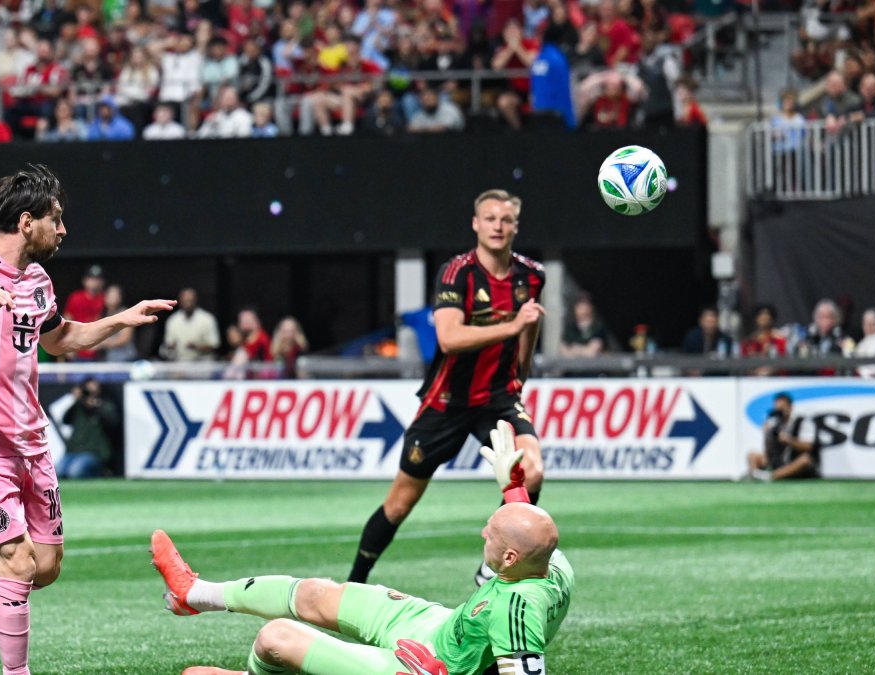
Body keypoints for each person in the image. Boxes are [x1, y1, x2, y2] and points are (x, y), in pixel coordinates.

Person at [0, 164, 174, 674]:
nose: (63, 230)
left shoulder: (38, 279)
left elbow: (58, 340)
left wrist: (119, 320)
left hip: (31, 442)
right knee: (16, 563)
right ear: (27, 221)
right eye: (56, 219)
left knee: (47, 567)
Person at [154, 420, 572, 675]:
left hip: (426, 667)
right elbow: (530, 530)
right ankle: (194, 593)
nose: (484, 533)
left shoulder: (518, 611)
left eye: (492, 535)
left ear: (511, 558)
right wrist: (513, 488)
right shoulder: (551, 563)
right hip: (436, 626)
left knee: (274, 637)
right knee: (317, 593)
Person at [349, 189, 546, 587]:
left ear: (516, 226)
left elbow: (530, 325)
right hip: (445, 402)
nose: (498, 226)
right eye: (489, 218)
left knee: (533, 471)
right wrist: (513, 325)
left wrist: (521, 371)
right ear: (476, 224)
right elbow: (449, 339)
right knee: (400, 503)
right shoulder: (457, 273)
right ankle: (354, 582)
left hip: (498, 399)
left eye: (505, 219)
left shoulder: (532, 275)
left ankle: (492, 567)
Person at [746, 393, 819, 481]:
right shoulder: (774, 423)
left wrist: (789, 441)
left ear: (790, 407)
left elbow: (808, 446)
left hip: (795, 461)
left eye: (783, 408)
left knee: (805, 460)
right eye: (778, 409)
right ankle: (756, 475)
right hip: (780, 461)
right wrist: (767, 434)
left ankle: (772, 476)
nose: (780, 411)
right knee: (752, 455)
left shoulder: (803, 422)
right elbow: (768, 451)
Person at [61, 378, 121, 477]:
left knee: (75, 472)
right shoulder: (78, 407)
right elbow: (65, 420)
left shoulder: (105, 405)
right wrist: (76, 401)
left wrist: (97, 407)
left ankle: (102, 472)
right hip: (74, 451)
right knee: (58, 471)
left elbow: (113, 424)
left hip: (94, 452)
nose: (90, 394)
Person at [162, 288, 220, 361]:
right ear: (180, 301)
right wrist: (171, 346)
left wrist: (197, 346)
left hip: (203, 362)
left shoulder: (207, 319)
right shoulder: (173, 320)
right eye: (185, 301)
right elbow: (169, 344)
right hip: (180, 363)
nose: (188, 304)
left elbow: (214, 345)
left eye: (190, 301)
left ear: (196, 300)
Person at [64, 265, 106, 361]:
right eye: (91, 278)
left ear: (102, 282)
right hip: (78, 349)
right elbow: (67, 322)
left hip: (99, 351)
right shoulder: (76, 297)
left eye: (97, 279)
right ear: (85, 280)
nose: (94, 282)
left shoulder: (106, 299)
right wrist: (68, 346)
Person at [98, 285, 138, 362]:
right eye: (110, 295)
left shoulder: (126, 313)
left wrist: (101, 343)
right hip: (109, 360)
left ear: (120, 297)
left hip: (126, 359)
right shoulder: (103, 314)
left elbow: (124, 339)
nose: (112, 297)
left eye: (115, 295)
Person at [853, 308, 875, 378]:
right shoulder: (862, 342)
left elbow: (871, 354)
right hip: (864, 379)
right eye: (866, 324)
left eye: (872, 324)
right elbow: (854, 360)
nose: (869, 327)